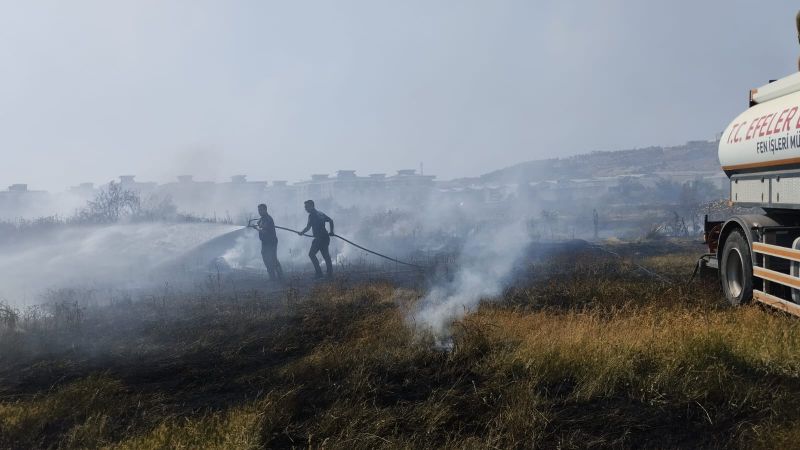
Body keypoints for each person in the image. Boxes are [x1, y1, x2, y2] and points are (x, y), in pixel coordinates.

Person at [298, 200, 334, 279]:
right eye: (305, 207)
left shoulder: (312, 215)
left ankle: (319, 273)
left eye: (306, 207)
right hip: (325, 237)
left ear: (311, 206)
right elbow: (331, 221)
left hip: (319, 238)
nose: (305, 209)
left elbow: (308, 227)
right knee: (326, 255)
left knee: (311, 254)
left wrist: (302, 232)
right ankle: (330, 273)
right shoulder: (320, 213)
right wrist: (331, 231)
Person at [255, 203, 283, 281]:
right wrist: (258, 224)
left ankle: (279, 276)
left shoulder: (268, 219)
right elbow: (259, 223)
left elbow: (264, 231)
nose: (259, 212)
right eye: (258, 210)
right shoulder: (262, 218)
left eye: (261, 210)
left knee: (273, 259)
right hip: (265, 242)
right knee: (266, 259)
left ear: (265, 210)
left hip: (271, 242)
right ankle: (273, 276)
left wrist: (257, 228)